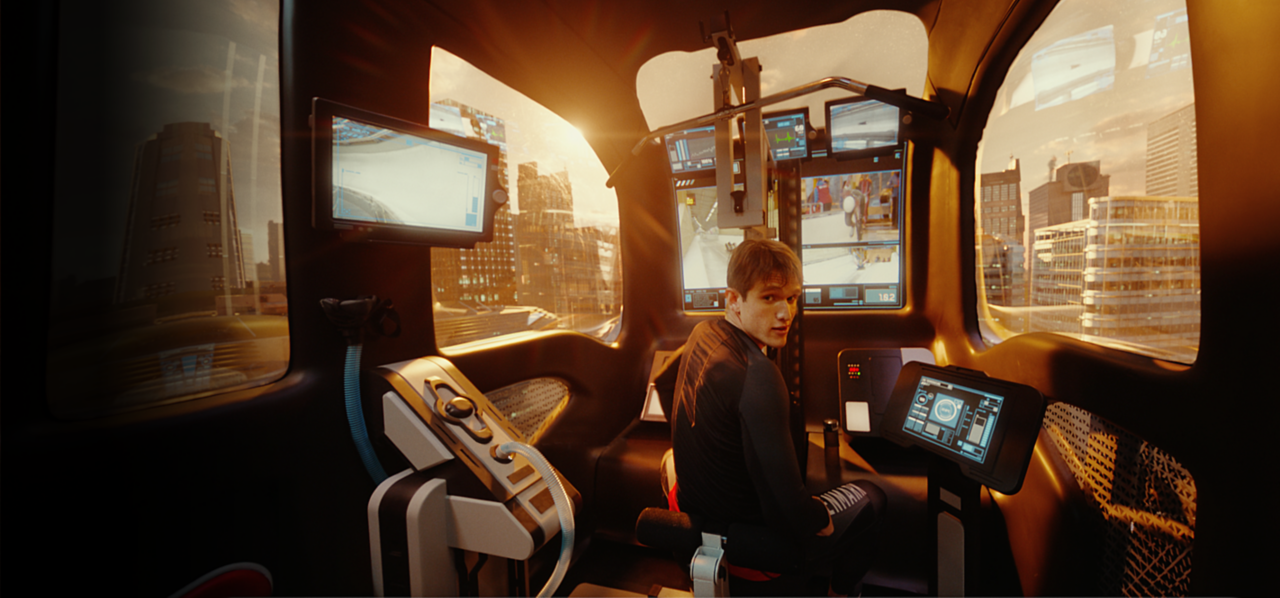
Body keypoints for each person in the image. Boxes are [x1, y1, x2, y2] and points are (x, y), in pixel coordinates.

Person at [670, 239, 884, 595]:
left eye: (792, 298)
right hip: (749, 554)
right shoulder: (758, 374)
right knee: (873, 498)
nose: (786, 313)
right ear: (733, 300)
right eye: (769, 297)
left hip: (695, 528)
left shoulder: (702, 334)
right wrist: (820, 520)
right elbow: (790, 514)